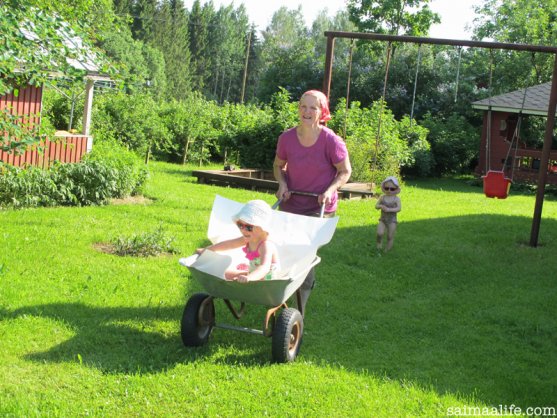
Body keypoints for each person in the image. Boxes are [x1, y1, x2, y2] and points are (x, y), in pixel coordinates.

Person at [273, 89, 352, 313]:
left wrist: (330, 190)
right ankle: (280, 291)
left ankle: (300, 303)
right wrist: (283, 184)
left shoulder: (331, 141)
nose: (306, 112)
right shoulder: (286, 138)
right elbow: (278, 166)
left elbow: (345, 171)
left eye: (313, 108)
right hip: (291, 201)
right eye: (303, 106)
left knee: (304, 251)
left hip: (319, 207)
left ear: (322, 112)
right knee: (282, 248)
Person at [196, 200, 280, 283]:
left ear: (262, 228)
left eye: (248, 227)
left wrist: (250, 278)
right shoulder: (248, 238)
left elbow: (264, 268)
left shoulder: (265, 245)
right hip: (252, 275)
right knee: (225, 273)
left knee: (239, 277)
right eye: (240, 225)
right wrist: (207, 250)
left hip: (266, 280)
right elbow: (229, 244)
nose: (243, 230)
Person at [375, 176, 401, 252]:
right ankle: (379, 243)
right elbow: (376, 206)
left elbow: (399, 208)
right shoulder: (382, 197)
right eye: (387, 188)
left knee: (390, 236)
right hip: (382, 219)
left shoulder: (396, 199)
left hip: (392, 220)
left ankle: (387, 249)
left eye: (392, 189)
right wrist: (380, 206)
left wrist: (389, 209)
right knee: (379, 233)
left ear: (396, 189)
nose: (389, 190)